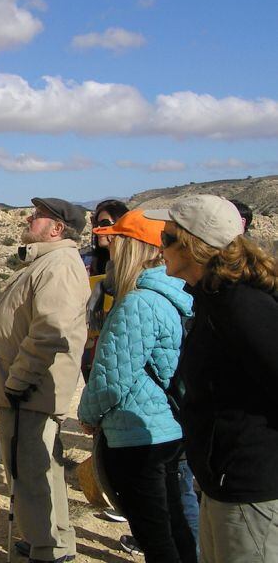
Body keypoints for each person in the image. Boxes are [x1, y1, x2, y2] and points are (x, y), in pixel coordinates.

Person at [145, 195, 278, 563]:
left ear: (194, 245)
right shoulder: (214, 298)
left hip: (249, 487)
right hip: (220, 482)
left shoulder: (242, 306)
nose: (161, 247)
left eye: (168, 238)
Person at [0, 197, 91, 563]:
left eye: (38, 216)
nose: (29, 218)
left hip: (30, 390)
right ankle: (50, 540)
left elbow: (49, 333)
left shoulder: (60, 266)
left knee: (30, 474)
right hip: (29, 389)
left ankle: (48, 550)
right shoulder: (50, 261)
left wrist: (18, 381)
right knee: (41, 469)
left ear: (57, 229)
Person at [78, 209, 197, 563]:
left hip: (137, 435)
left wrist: (89, 414)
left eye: (117, 239)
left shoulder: (138, 303)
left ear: (134, 247)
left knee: (155, 534)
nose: (109, 245)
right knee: (174, 526)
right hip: (167, 428)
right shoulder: (173, 295)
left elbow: (112, 377)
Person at [82, 199, 129, 382]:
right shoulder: (88, 262)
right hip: (91, 347)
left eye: (104, 224)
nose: (97, 230)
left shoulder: (131, 267)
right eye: (95, 224)